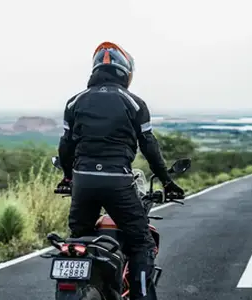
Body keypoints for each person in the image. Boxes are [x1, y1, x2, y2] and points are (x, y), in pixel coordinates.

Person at [56, 41, 185, 300]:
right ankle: (141, 295)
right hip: (118, 183)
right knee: (141, 244)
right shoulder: (134, 103)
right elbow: (150, 148)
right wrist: (167, 182)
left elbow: (66, 146)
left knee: (78, 240)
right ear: (125, 72)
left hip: (83, 182)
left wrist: (68, 177)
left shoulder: (74, 102)